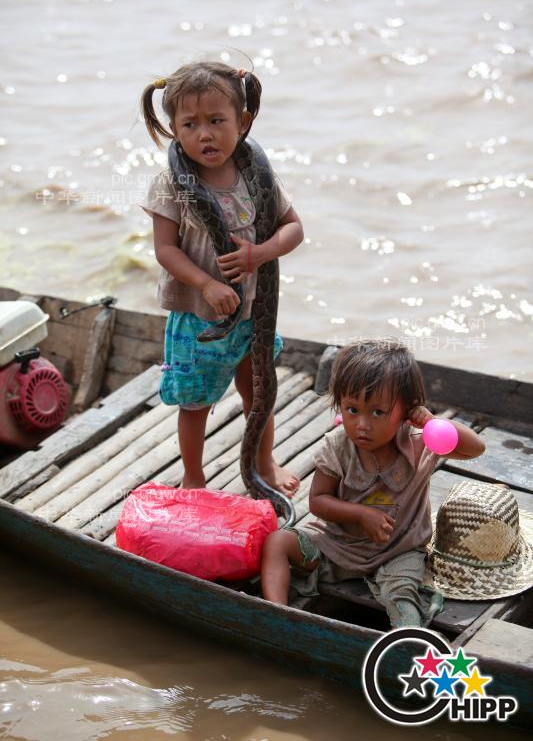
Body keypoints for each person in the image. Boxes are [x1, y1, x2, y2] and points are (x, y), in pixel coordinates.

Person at [140, 62, 304, 495]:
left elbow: (293, 228)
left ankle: (263, 465)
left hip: (255, 313)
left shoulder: (260, 178)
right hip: (199, 319)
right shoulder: (171, 184)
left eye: (217, 121)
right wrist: (207, 284)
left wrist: (261, 252)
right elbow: (166, 249)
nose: (205, 134)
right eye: (190, 124)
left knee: (260, 394)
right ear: (174, 129)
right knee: (196, 402)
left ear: (243, 121)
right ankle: (194, 477)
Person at [261, 339, 486, 627]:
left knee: (403, 597)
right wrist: (360, 514)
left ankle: (405, 643)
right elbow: (318, 501)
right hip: (339, 545)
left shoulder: (419, 444)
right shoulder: (338, 447)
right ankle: (276, 614)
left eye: (377, 412)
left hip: (399, 551)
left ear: (407, 411)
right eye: (352, 410)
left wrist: (430, 422)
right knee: (279, 541)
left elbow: (475, 448)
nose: (362, 424)